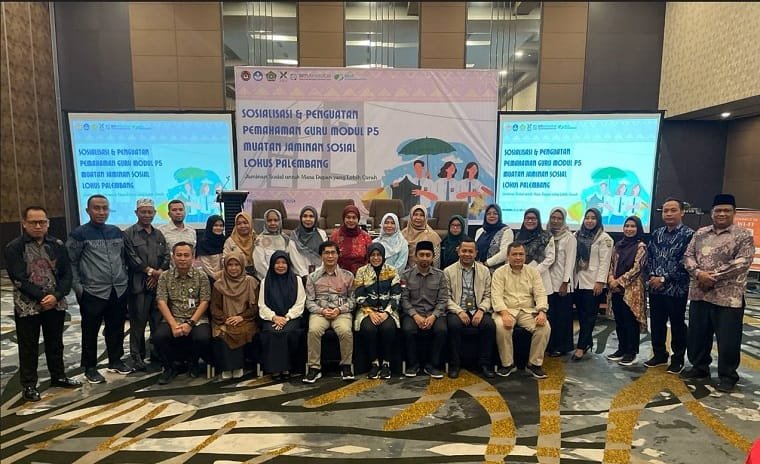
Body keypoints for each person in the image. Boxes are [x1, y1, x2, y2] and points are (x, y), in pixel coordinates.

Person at [4, 206, 80, 401]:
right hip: (27, 305)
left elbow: (67, 274)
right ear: (24, 223)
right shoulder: (14, 247)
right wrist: (42, 297)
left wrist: (56, 295)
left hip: (55, 302)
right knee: (28, 346)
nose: (38, 226)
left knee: (55, 342)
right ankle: (29, 385)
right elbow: (18, 278)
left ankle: (58, 376)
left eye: (42, 222)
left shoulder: (57, 244)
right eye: (33, 222)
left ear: (48, 223)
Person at [681, 194, 754, 393]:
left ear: (734, 212)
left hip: (727, 297)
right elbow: (688, 256)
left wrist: (711, 277)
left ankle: (728, 376)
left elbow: (742, 263)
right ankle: (699, 367)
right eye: (718, 210)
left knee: (728, 339)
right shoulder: (701, 233)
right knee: (697, 335)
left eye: (726, 210)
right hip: (700, 294)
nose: (722, 214)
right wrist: (698, 273)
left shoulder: (743, 235)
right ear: (712, 213)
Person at [67, 194, 133, 384]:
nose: (101, 212)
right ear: (87, 210)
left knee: (116, 327)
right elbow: (71, 262)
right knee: (90, 331)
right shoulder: (79, 234)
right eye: (97, 208)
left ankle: (115, 360)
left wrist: (124, 279)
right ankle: (90, 367)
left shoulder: (115, 232)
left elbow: (123, 258)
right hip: (93, 291)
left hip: (118, 289)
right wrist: (78, 288)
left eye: (105, 208)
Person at [644, 198, 694, 373]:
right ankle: (659, 355)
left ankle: (678, 359)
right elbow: (650, 257)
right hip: (655, 288)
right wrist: (652, 276)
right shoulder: (657, 233)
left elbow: (686, 262)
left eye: (673, 210)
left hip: (676, 289)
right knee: (656, 323)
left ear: (682, 212)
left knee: (677, 325)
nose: (669, 214)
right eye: (666, 211)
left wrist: (664, 279)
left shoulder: (689, 235)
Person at [153, 242, 212, 384]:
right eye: (179, 255)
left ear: (193, 257)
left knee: (203, 337)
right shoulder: (165, 276)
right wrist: (174, 325)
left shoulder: (201, 276)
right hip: (173, 318)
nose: (182, 259)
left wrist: (190, 323)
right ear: (173, 257)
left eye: (186, 255)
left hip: (196, 318)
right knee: (159, 337)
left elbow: (205, 302)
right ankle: (169, 368)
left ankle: (193, 363)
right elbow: (161, 302)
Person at [123, 198, 171, 371]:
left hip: (158, 285)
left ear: (155, 213)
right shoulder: (129, 234)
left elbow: (167, 255)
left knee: (157, 322)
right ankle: (137, 357)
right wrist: (151, 272)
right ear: (136, 213)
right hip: (138, 286)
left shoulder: (158, 234)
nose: (147, 215)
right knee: (138, 323)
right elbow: (131, 258)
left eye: (150, 212)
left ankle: (156, 353)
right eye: (143, 212)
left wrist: (159, 272)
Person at [491, 243, 551, 379]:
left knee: (544, 327)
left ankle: (534, 364)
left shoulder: (533, 272)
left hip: (527, 311)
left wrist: (542, 311)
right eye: (514, 254)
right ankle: (508, 364)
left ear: (525, 256)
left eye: (521, 254)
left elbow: (540, 293)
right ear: (508, 256)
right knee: (501, 326)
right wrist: (504, 314)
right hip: (506, 310)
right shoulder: (499, 273)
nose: (518, 257)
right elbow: (496, 296)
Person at [302, 241, 356, 383]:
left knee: (345, 331)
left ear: (338, 255)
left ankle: (346, 366)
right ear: (321, 256)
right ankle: (314, 368)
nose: (330, 256)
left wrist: (339, 310)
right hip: (320, 313)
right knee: (313, 330)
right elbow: (309, 301)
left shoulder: (348, 276)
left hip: (341, 312)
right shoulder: (312, 277)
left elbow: (353, 300)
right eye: (326, 253)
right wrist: (321, 310)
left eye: (333, 253)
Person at [443, 237, 496, 379]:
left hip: (478, 308)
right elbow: (445, 297)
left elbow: (489, 295)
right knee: (453, 326)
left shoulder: (484, 271)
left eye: (470, 251)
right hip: (457, 309)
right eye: (464, 251)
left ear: (476, 253)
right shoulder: (448, 271)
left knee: (489, 326)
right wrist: (459, 311)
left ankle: (485, 364)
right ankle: (455, 364)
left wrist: (481, 310)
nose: (467, 254)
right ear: (458, 251)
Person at [400, 240, 449, 379]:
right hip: (413, 313)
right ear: (415, 257)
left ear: (433, 257)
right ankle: (413, 364)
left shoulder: (440, 275)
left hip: (434, 313)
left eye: (428, 255)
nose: (424, 258)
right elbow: (404, 299)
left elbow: (443, 299)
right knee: (408, 330)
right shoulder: (406, 275)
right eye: (421, 255)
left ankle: (432, 365)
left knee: (441, 330)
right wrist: (415, 315)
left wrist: (433, 316)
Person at [353, 243, 402, 379]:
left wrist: (386, 313)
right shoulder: (362, 271)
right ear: (368, 257)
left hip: (388, 310)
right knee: (369, 329)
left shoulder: (392, 270)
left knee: (388, 328)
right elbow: (359, 296)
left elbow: (396, 295)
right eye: (373, 255)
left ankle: (386, 364)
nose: (376, 258)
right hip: (366, 310)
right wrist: (371, 312)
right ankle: (374, 363)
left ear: (383, 256)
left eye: (379, 255)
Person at [571, 208, 613, 361]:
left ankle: (581, 347)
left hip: (593, 283)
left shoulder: (604, 238)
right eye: (587, 217)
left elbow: (605, 262)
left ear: (598, 220)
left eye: (593, 218)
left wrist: (600, 282)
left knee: (589, 316)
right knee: (581, 315)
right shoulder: (576, 235)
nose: (589, 221)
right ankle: (587, 341)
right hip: (577, 281)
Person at [210, 250, 259, 380]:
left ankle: (238, 366)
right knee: (223, 331)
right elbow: (214, 307)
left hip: (246, 318)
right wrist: (225, 319)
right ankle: (227, 367)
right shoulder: (219, 284)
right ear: (225, 267)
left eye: (237, 265)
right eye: (230, 265)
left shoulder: (251, 282)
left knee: (241, 330)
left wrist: (241, 317)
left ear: (242, 265)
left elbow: (255, 306)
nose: (233, 268)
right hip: (224, 319)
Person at [606, 216, 648, 366]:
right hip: (616, 290)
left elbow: (637, 269)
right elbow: (611, 265)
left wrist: (618, 281)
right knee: (620, 321)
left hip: (632, 290)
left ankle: (631, 352)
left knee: (631, 322)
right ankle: (621, 349)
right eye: (627, 226)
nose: (629, 229)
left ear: (638, 229)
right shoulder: (618, 245)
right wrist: (611, 279)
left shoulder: (641, 247)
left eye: (633, 226)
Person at [258, 251, 305, 380]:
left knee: (287, 332)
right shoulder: (265, 282)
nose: (280, 266)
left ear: (288, 264)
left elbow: (300, 303)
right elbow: (262, 304)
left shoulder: (297, 280)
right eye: (277, 263)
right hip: (271, 318)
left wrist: (287, 317)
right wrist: (274, 317)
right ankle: (274, 370)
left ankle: (287, 368)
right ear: (272, 265)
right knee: (272, 332)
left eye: (283, 262)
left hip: (292, 317)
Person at [545, 207, 577, 357]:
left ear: (563, 220)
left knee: (562, 317)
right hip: (548, 282)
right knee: (551, 316)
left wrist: (565, 282)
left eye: (559, 218)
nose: (555, 221)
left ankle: (561, 346)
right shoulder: (546, 235)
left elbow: (570, 262)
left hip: (563, 284)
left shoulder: (569, 238)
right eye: (553, 218)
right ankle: (550, 345)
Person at [514, 208, 555, 296]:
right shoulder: (518, 236)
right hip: (520, 277)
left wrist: (534, 272)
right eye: (527, 218)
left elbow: (550, 258)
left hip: (540, 276)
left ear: (538, 220)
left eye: (533, 218)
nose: (530, 221)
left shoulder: (546, 236)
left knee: (541, 302)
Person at [329, 204, 372, 275]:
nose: (351, 220)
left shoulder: (365, 236)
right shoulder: (335, 235)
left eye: (354, 218)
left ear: (358, 219)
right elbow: (330, 256)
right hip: (339, 275)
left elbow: (369, 258)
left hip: (361, 275)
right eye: (348, 217)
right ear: (344, 218)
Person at [288, 206, 327, 278]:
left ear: (315, 218)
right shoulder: (294, 236)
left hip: (320, 274)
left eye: (311, 216)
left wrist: (318, 273)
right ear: (301, 218)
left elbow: (325, 256)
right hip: (301, 275)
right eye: (305, 216)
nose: (308, 219)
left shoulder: (322, 233)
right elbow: (295, 259)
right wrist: (305, 275)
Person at [474, 204, 514, 270]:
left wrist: (486, 263)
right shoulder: (480, 231)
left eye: (495, 213)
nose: (491, 216)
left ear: (499, 216)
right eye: (488, 214)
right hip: (478, 269)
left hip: (497, 271)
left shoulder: (506, 231)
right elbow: (474, 249)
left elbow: (505, 253)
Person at [253, 209, 290, 279]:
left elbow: (290, 262)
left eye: (276, 220)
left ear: (280, 221)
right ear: (265, 222)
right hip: (267, 279)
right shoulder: (260, 240)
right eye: (269, 220)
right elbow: (260, 265)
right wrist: (273, 278)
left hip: (286, 278)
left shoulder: (286, 239)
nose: (273, 223)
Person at [402, 205, 442, 269]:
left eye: (422, 215)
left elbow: (436, 260)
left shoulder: (432, 235)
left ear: (425, 217)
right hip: (406, 271)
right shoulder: (403, 234)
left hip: (427, 271)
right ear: (411, 216)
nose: (418, 218)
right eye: (415, 214)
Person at [224, 212, 256, 277]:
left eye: (245, 223)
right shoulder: (230, 241)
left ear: (250, 223)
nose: (242, 226)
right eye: (239, 224)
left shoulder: (257, 239)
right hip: (236, 276)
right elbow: (225, 260)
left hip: (257, 276)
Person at [196, 215, 226, 281]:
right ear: (210, 226)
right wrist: (216, 277)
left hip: (225, 278)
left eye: (221, 225)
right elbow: (206, 265)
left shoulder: (224, 241)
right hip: (208, 278)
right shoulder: (203, 242)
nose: (219, 228)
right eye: (215, 225)